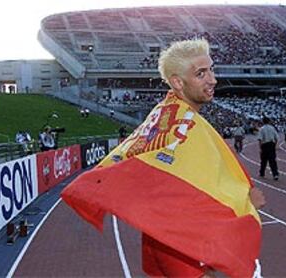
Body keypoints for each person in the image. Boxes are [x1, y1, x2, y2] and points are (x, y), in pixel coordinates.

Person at [62, 39, 265, 277]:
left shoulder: (164, 113)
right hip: (177, 240)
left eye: (211, 69)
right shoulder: (186, 125)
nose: (213, 80)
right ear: (178, 82)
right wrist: (243, 202)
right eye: (201, 73)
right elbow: (189, 185)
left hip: (164, 236)